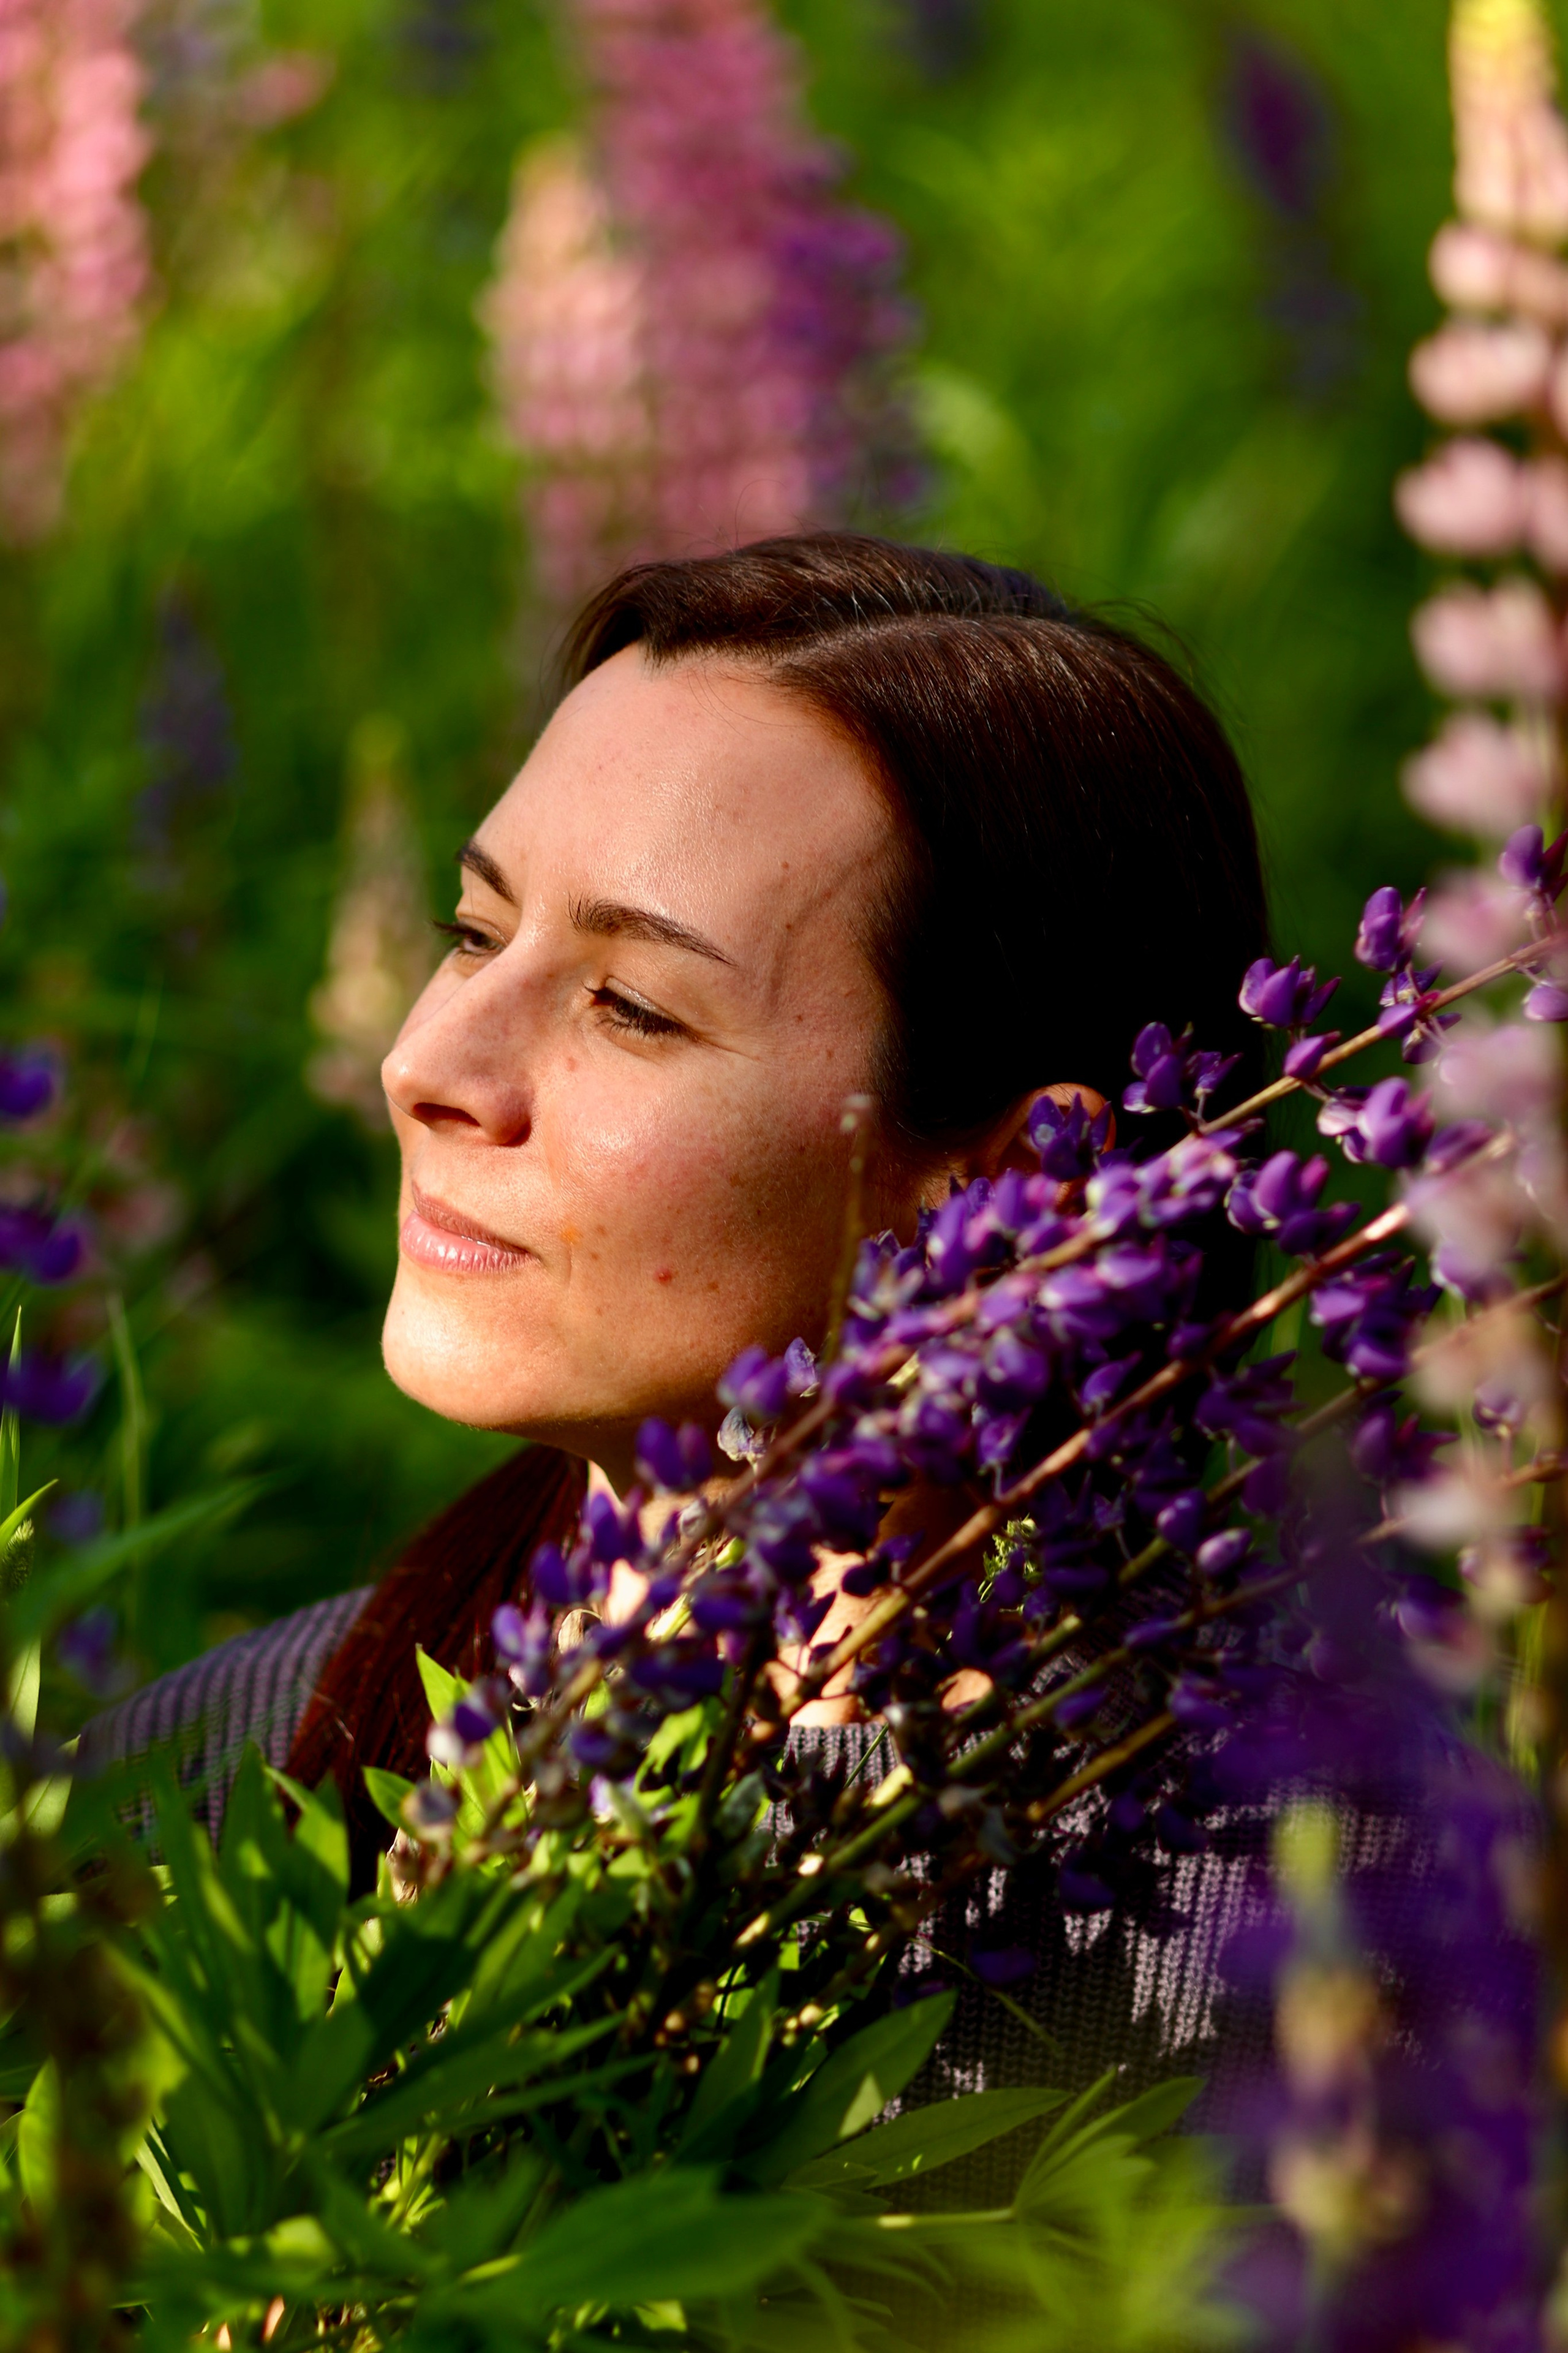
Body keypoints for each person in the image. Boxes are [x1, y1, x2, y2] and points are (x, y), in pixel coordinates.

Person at [85, 532, 1270, 2118]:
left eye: (632, 1005)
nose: (429, 1062)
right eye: (473, 928)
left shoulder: (1308, 1967)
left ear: (1023, 1186)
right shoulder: (204, 1793)